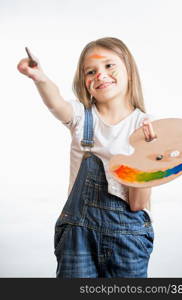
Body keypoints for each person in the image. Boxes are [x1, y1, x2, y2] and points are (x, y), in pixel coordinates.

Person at [17, 37, 157, 278]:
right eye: (90, 71)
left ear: (130, 71)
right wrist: (40, 78)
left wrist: (147, 158)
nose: (100, 75)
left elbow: (137, 204)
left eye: (109, 66)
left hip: (128, 238)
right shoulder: (82, 117)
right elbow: (56, 103)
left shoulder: (143, 126)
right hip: (77, 236)